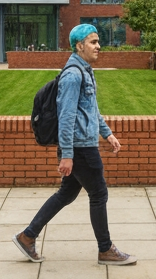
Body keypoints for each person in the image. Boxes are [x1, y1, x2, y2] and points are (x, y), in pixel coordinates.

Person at [12, 24, 136, 266]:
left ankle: (27, 237)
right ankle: (105, 249)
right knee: (98, 194)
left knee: (66, 194)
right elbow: (66, 117)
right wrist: (67, 155)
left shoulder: (85, 71)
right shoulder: (73, 75)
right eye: (93, 42)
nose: (98, 46)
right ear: (80, 46)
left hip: (82, 144)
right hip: (80, 148)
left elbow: (91, 109)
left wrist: (107, 134)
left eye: (98, 41)